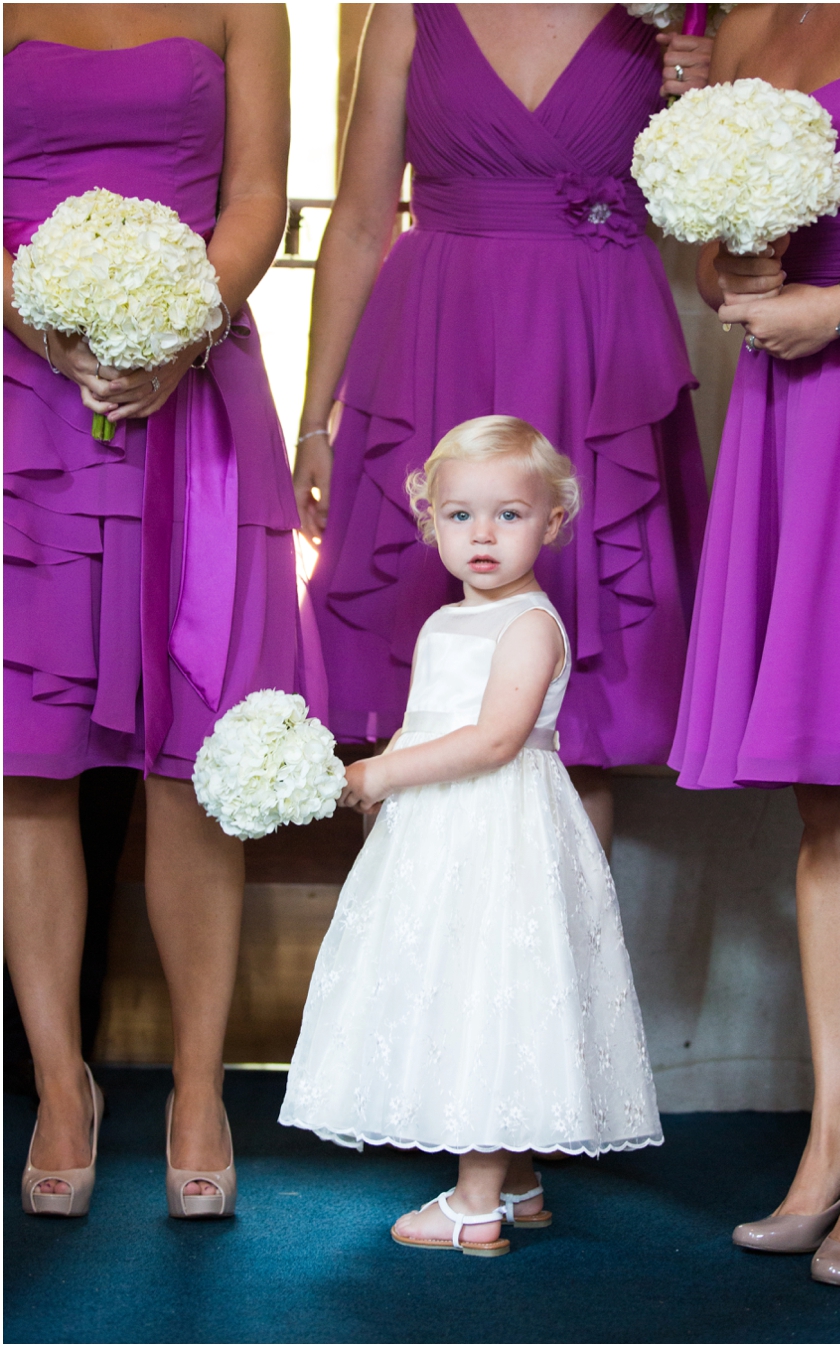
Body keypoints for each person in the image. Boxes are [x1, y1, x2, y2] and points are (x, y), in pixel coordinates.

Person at [4, 3, 321, 1219]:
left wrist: (176, 334)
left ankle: (198, 1089)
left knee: (198, 755)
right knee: (23, 760)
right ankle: (57, 1084)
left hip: (193, 385)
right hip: (18, 390)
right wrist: (46, 325)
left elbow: (256, 195)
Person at [293, 3, 712, 855]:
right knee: (416, 679)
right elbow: (364, 219)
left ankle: (560, 967)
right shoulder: (408, 12)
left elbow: (714, 219)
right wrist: (312, 420)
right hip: (434, 343)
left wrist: (700, 99)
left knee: (580, 712)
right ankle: (411, 963)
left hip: (594, 354)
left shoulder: (668, 16)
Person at [280, 416, 662, 1253]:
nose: (481, 534)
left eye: (509, 515)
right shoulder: (445, 622)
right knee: (460, 985)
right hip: (441, 829)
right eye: (459, 515)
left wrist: (378, 774)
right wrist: (391, 777)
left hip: (500, 830)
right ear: (432, 523)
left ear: (553, 521)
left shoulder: (529, 624)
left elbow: (495, 738)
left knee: (493, 992)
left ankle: (473, 1203)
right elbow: (430, 724)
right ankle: (518, 1178)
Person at [669, 3, 840, 1287]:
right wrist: (734, 277)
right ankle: (837, 1130)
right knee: (834, 788)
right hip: (797, 402)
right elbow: (720, 255)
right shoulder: (753, 15)